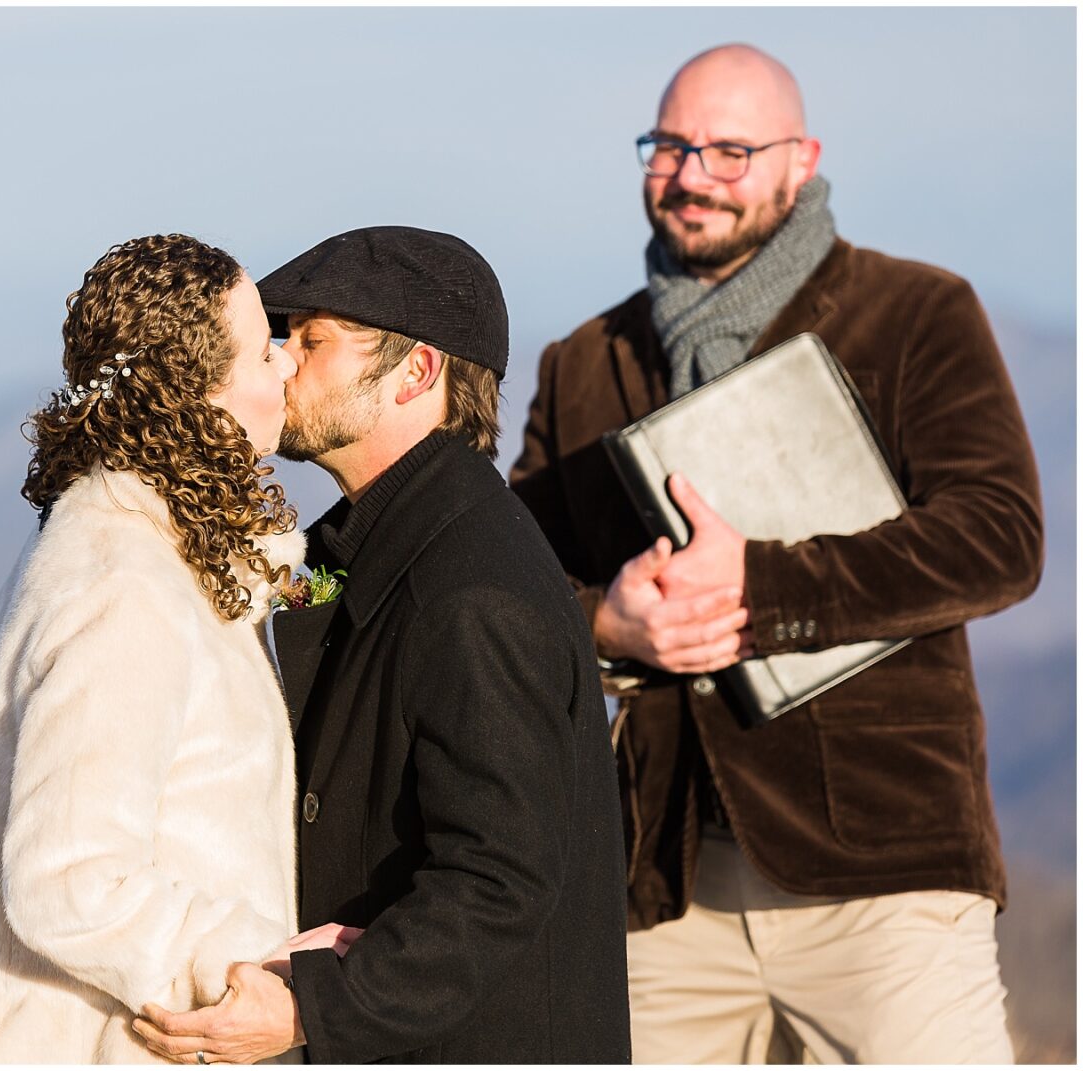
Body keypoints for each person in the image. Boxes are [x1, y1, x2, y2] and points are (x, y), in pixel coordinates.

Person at [508, 44, 1042, 1064]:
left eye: (728, 148)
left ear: (801, 161)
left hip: (885, 876)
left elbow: (998, 536)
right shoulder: (581, 362)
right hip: (661, 894)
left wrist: (759, 584)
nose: (691, 173)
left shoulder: (916, 312)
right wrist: (605, 628)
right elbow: (514, 589)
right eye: (667, 147)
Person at [133, 226, 631, 1064]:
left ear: (418, 371)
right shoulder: (383, 548)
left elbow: (499, 880)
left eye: (312, 340)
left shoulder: (474, 589)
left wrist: (307, 1010)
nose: (283, 362)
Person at [0, 233, 359, 1064]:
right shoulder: (121, 580)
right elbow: (67, 875)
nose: (284, 363)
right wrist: (260, 969)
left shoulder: (135, 549)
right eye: (260, 347)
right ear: (196, 397)